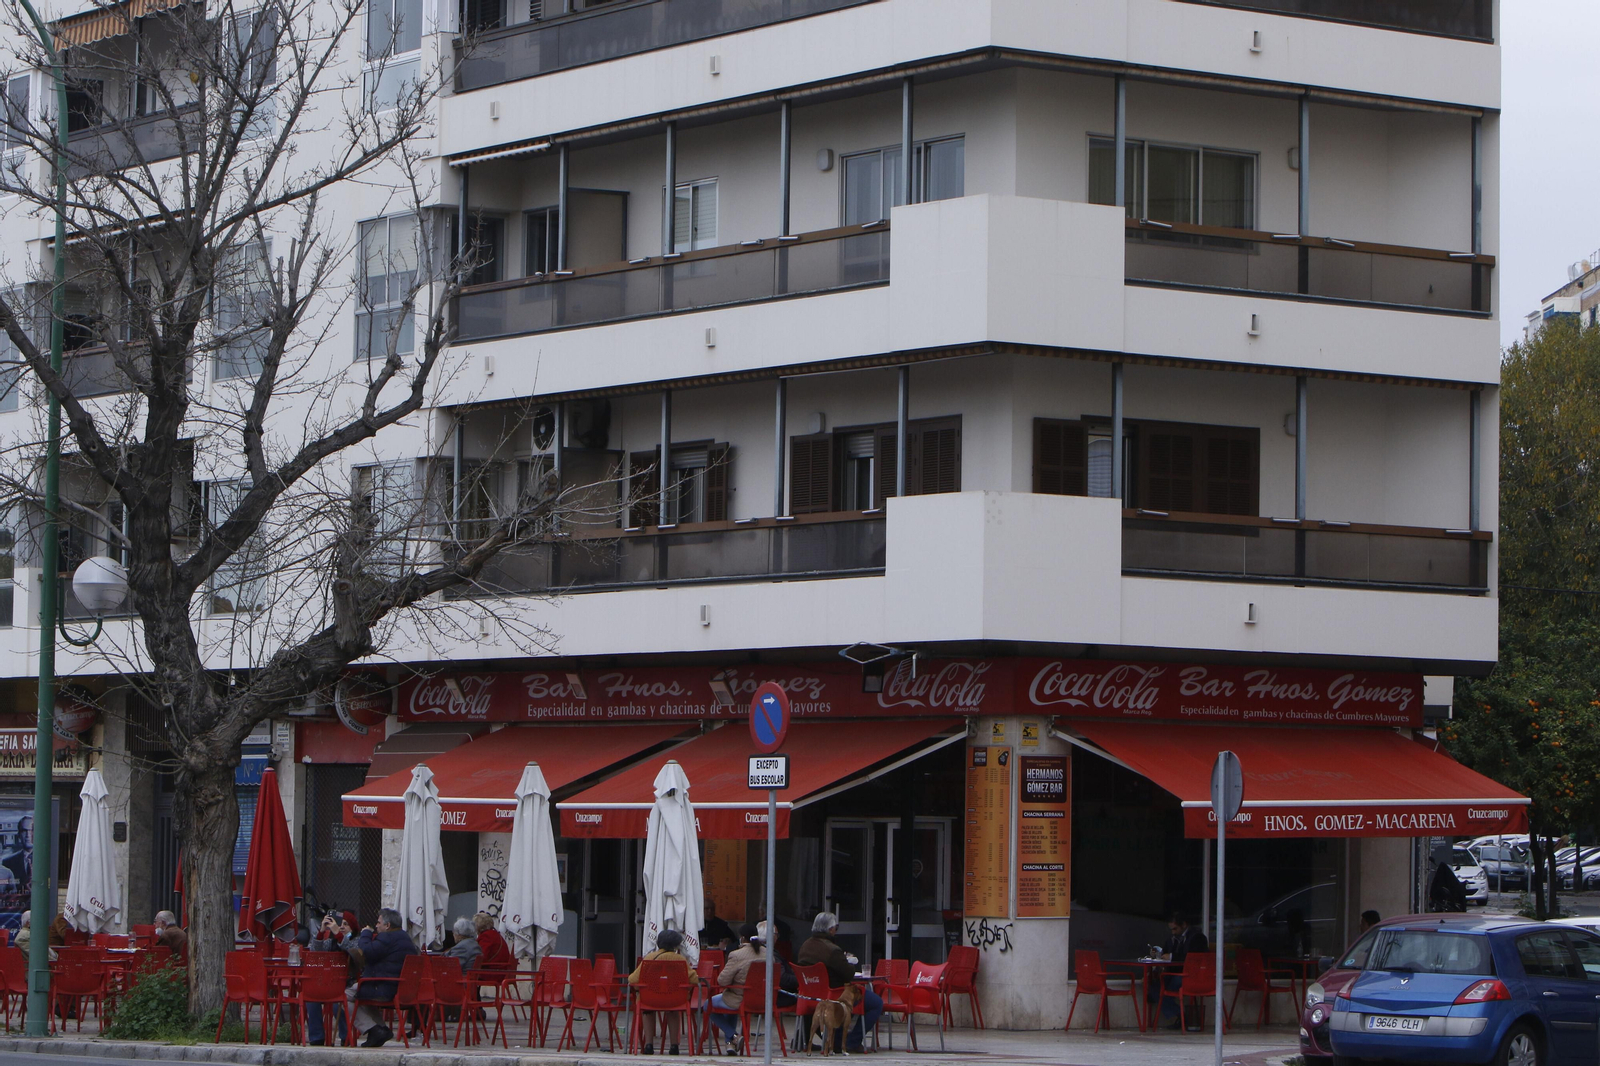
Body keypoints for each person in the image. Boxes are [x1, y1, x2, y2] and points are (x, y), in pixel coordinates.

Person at [796, 912, 881, 1053]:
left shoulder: (804, 947)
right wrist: (848, 962)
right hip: (834, 995)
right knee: (876, 1003)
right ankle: (851, 1042)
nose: (836, 930)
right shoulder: (832, 950)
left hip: (809, 997)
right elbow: (849, 974)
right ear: (830, 929)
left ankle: (837, 1038)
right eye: (836, 927)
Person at [346, 908, 418, 1047]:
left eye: (379, 922)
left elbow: (366, 952)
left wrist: (366, 934)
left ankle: (374, 1029)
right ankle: (380, 1029)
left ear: (387, 925)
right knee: (361, 997)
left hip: (383, 987)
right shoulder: (406, 939)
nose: (376, 925)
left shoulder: (387, 937)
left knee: (343, 996)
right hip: (400, 987)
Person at [629, 928, 698, 1054]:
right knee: (673, 1011)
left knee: (647, 1011)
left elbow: (632, 979)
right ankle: (674, 1046)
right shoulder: (680, 960)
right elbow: (694, 979)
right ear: (675, 945)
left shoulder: (649, 958)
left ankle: (648, 1045)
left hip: (650, 998)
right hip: (674, 999)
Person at [706, 923, 762, 1052]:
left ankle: (733, 1035)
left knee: (707, 1005)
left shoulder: (736, 955)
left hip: (740, 998)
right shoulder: (768, 954)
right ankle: (730, 1045)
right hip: (761, 1000)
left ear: (742, 938)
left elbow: (722, 981)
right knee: (728, 999)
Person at [1150, 912, 1209, 1030]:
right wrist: (1158, 955)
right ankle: (1181, 1014)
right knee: (1154, 986)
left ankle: (1181, 1016)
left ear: (1184, 925)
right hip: (1174, 973)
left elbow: (1193, 959)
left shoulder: (1197, 937)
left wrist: (1171, 957)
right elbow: (1165, 953)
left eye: (1175, 929)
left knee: (1165, 989)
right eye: (1171, 929)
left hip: (1191, 976)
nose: (1173, 932)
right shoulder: (1172, 939)